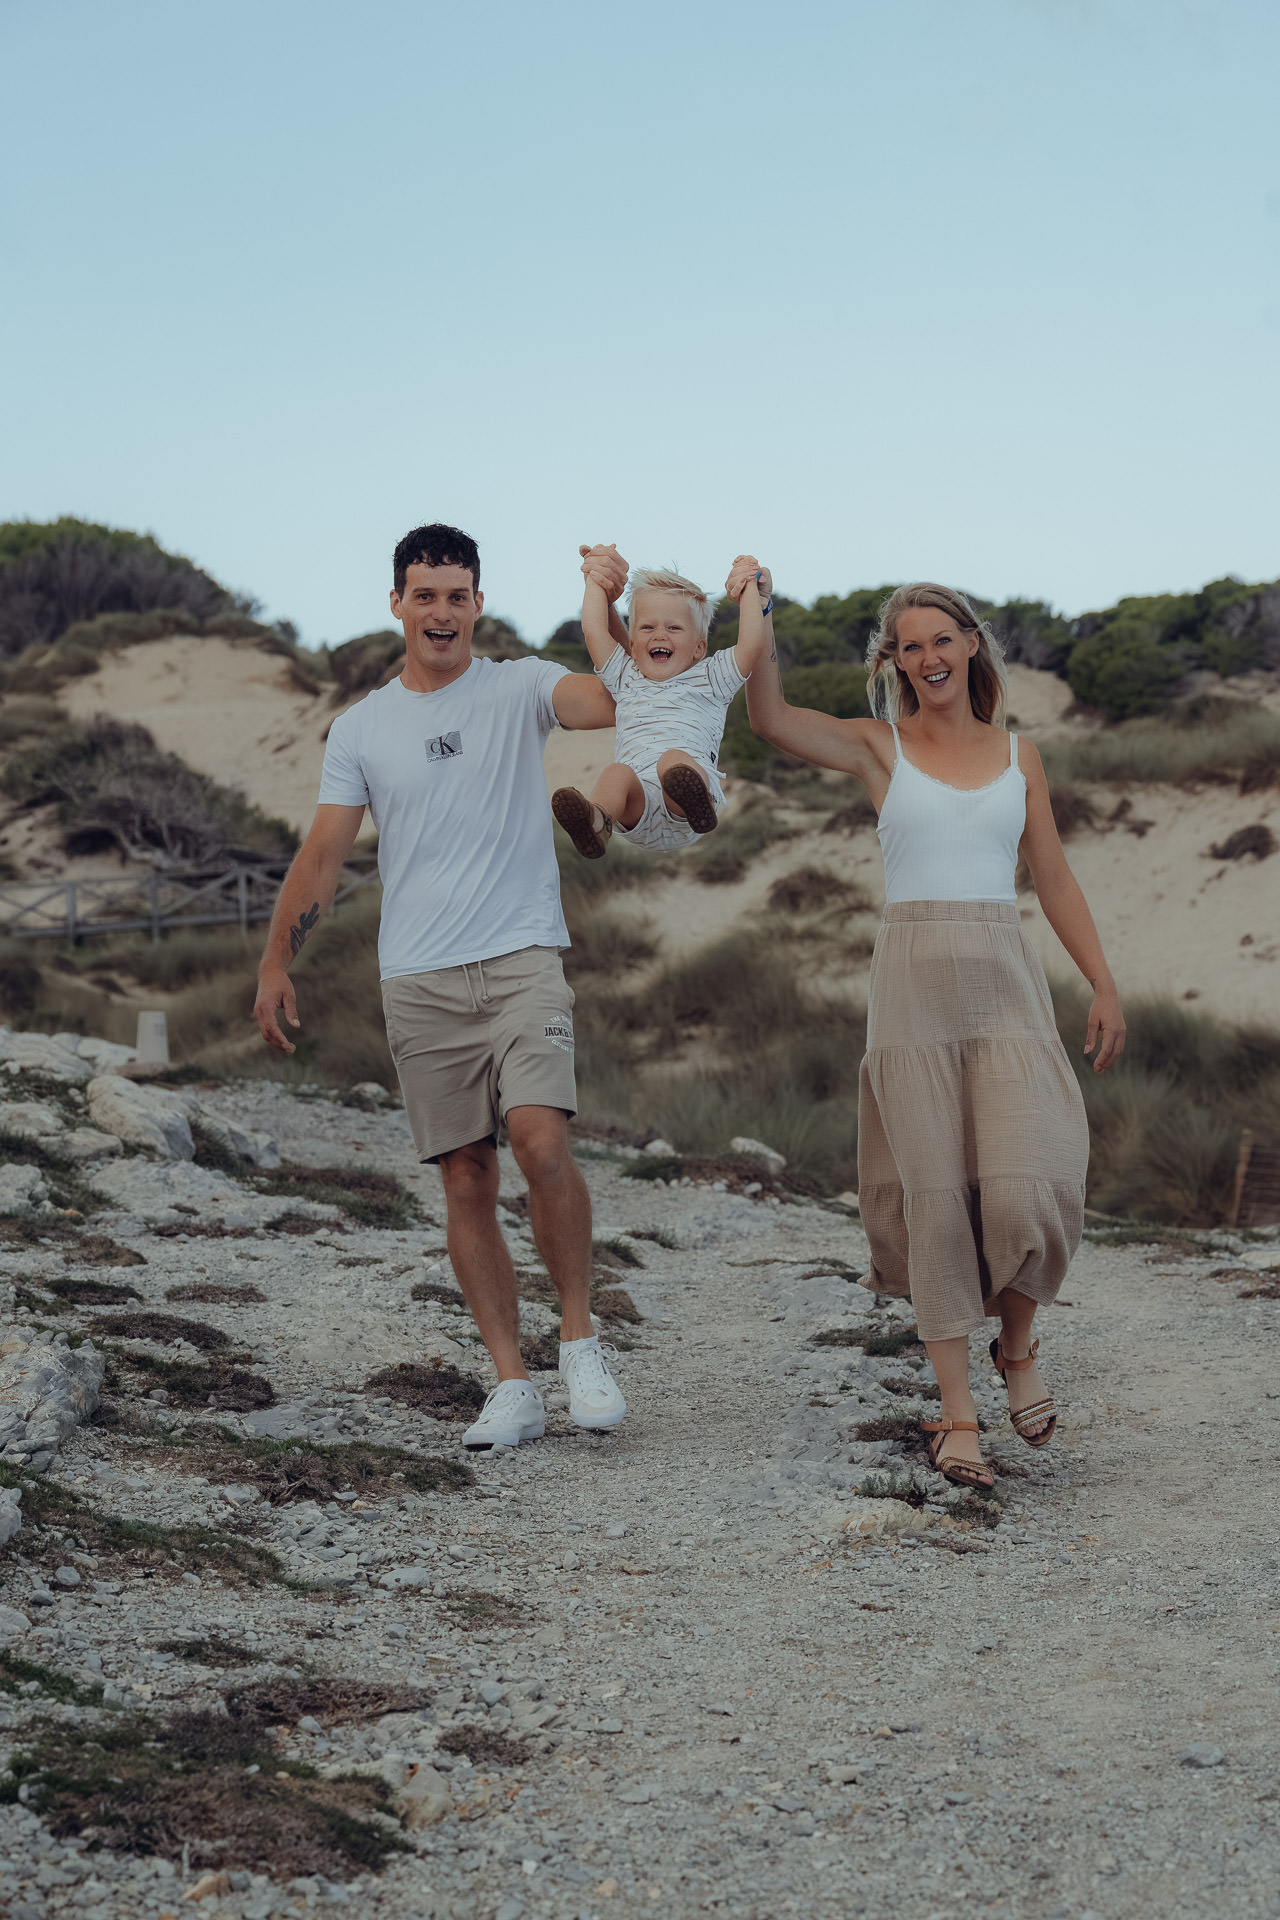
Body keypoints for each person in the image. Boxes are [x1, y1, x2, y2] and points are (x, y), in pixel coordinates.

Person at [738, 561, 1125, 1489]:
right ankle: (958, 1415)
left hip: (1006, 980)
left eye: (940, 640)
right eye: (909, 647)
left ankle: (1017, 1350)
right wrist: (756, 612)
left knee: (1034, 1180)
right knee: (938, 1201)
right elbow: (771, 721)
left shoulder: (1019, 754)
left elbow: (1056, 879)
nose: (927, 657)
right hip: (911, 985)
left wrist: (1103, 984)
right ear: (896, 661)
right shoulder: (881, 747)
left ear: (970, 644)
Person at [254, 523, 634, 1452]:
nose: (441, 611)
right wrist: (275, 958)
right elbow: (324, 853)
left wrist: (608, 605)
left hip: (519, 960)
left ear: (478, 603)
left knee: (542, 1141)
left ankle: (578, 1340)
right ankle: (512, 1383)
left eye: (457, 595)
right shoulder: (362, 728)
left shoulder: (520, 686)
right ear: (397, 603)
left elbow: (611, 698)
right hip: (418, 977)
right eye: (424, 595)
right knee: (466, 1175)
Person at [551, 548, 769, 857]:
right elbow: (593, 629)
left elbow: (751, 643)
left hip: (687, 811)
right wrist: (594, 581)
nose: (659, 635)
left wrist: (747, 586)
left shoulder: (712, 678)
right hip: (638, 808)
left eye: (674, 627)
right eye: (647, 627)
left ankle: (696, 802)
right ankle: (598, 821)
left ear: (699, 647)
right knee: (617, 774)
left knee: (673, 760)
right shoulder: (626, 677)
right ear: (632, 644)